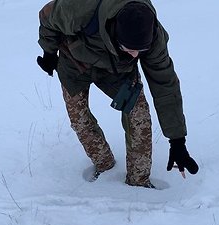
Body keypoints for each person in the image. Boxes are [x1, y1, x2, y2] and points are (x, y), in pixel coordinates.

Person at [37, 0, 198, 188]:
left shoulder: (154, 38)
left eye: (141, 50)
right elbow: (47, 17)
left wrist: (177, 140)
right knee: (80, 120)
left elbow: (165, 84)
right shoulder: (80, 8)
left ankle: (139, 182)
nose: (136, 55)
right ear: (114, 32)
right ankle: (104, 166)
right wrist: (49, 53)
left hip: (118, 71)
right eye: (129, 49)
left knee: (139, 117)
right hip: (75, 65)